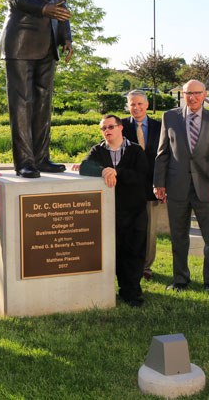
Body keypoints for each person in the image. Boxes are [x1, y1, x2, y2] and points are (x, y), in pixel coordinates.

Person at [0, 0, 73, 179]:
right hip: (20, 43)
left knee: (43, 104)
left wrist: (66, 36)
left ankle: (42, 158)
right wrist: (46, 9)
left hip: (49, 43)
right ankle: (25, 162)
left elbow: (62, 3)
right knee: (21, 104)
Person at [153, 79, 209, 293]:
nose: (192, 97)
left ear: (205, 95)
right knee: (178, 237)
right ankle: (180, 280)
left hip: (208, 188)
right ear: (183, 95)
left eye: (196, 93)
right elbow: (162, 153)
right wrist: (158, 183)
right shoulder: (170, 117)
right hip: (177, 187)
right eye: (188, 93)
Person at [79, 115, 148, 307]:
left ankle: (131, 293)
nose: (107, 131)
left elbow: (141, 175)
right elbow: (85, 168)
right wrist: (104, 171)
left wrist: (118, 172)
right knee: (112, 254)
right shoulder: (97, 150)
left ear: (120, 128)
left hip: (134, 212)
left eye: (111, 127)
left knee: (133, 253)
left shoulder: (135, 150)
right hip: (108, 213)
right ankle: (110, 292)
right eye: (103, 128)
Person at [121, 89, 162, 280]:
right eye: (132, 104)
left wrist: (162, 184)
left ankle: (146, 267)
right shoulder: (120, 126)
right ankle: (129, 265)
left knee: (149, 230)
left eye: (139, 104)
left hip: (152, 187)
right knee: (128, 229)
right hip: (127, 188)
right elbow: (107, 146)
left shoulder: (160, 126)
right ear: (128, 106)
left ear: (146, 105)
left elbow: (167, 157)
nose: (136, 108)